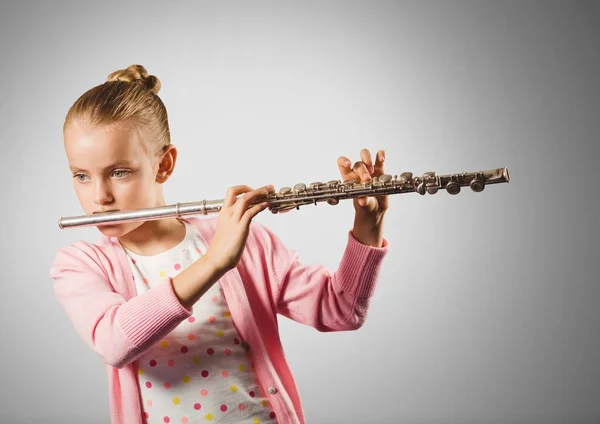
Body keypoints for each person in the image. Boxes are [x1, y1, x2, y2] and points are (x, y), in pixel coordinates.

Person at [50, 64, 390, 424]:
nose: (100, 197)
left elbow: (341, 311)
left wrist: (369, 223)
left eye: (119, 172)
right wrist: (214, 261)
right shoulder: (79, 264)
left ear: (164, 165)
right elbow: (114, 342)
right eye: (82, 176)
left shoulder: (239, 239)